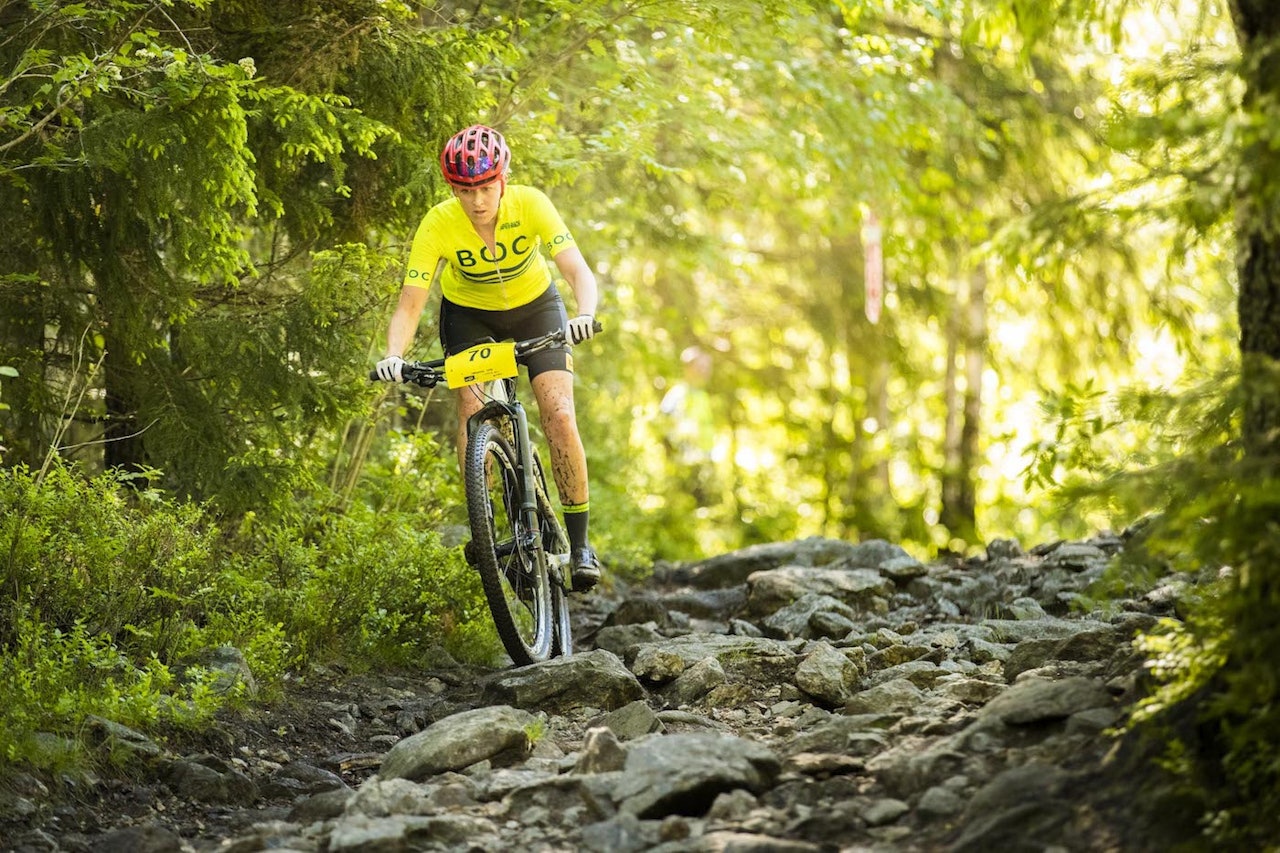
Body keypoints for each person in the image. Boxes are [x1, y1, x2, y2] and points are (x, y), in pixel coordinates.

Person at [375, 124, 602, 591]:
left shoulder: (532, 204)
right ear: (452, 189)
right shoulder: (439, 223)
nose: (476, 200)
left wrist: (586, 313)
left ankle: (580, 545)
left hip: (537, 310)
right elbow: (411, 302)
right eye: (464, 190)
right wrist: (393, 356)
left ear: (503, 178)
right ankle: (489, 524)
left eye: (484, 187)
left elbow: (577, 269)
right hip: (470, 318)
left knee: (558, 413)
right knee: (472, 414)